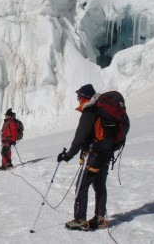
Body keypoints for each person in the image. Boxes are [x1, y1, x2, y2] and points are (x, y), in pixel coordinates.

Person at [57, 84, 112, 230]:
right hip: (106, 154)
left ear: (84, 97)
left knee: (81, 185)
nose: (78, 99)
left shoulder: (89, 112)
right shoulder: (100, 111)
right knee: (100, 185)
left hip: (95, 155)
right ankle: (99, 219)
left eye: (79, 96)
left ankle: (80, 220)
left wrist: (68, 155)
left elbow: (79, 138)